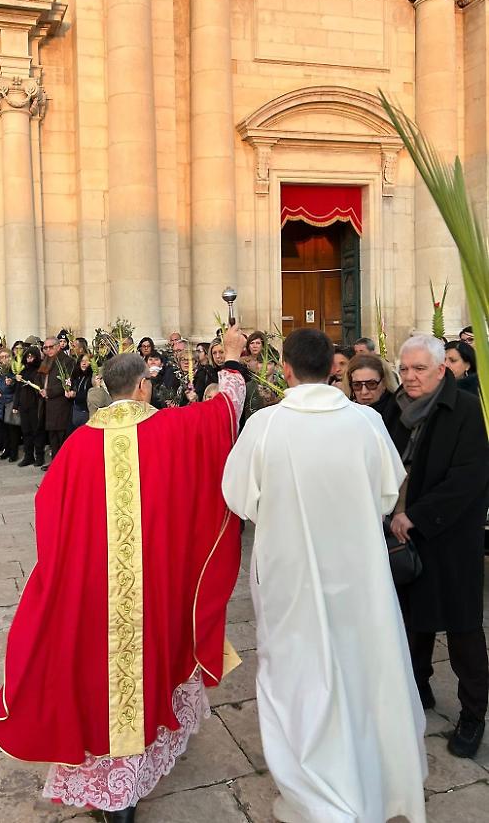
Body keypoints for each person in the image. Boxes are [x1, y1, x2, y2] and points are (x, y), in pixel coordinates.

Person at [0, 323, 248, 822]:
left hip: (93, 590)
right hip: (155, 585)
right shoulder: (171, 429)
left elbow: (49, 512)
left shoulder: (78, 445)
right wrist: (232, 359)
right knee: (149, 666)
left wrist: (69, 570)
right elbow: (224, 413)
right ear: (144, 385)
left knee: (99, 678)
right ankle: (127, 782)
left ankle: (113, 788)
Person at [222, 327, 427, 823]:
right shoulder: (366, 422)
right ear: (334, 369)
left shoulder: (266, 426)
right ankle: (368, 776)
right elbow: (387, 492)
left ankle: (314, 792)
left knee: (296, 672)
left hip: (290, 572)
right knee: (360, 666)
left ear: (286, 369)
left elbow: (239, 498)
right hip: (358, 572)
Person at [389, 334, 489, 759]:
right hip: (402, 536)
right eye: (404, 368)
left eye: (419, 369)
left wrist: (417, 515)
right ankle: (419, 689)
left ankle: (473, 714)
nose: (410, 377)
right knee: (413, 622)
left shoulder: (466, 409)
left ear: (441, 369)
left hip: (450, 538)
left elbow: (470, 476)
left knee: (463, 629)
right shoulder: (396, 408)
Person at [39, 337, 75, 470]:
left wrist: (49, 391)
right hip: (47, 403)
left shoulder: (67, 361)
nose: (48, 350)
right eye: (45, 347)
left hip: (60, 403)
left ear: (58, 346)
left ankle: (63, 464)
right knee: (52, 436)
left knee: (61, 435)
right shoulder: (46, 360)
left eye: (51, 347)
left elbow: (67, 383)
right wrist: (39, 388)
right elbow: (40, 377)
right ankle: (55, 463)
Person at [346, 352, 399, 433]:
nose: (364, 392)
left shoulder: (398, 413)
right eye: (357, 385)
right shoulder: (348, 414)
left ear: (384, 383)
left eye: (371, 384)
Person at [13, 345, 45, 467]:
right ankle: (28, 456)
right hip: (24, 406)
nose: (29, 359)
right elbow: (18, 389)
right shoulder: (23, 371)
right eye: (28, 357)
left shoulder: (40, 371)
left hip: (35, 406)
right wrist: (16, 405)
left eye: (32, 357)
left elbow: (39, 385)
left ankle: (40, 456)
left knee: (37, 431)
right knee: (26, 432)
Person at [67, 353, 93, 429]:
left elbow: (89, 395)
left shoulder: (92, 377)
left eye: (87, 361)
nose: (84, 363)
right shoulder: (76, 376)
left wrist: (76, 395)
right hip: (75, 411)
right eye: (82, 361)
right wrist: (69, 393)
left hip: (86, 411)